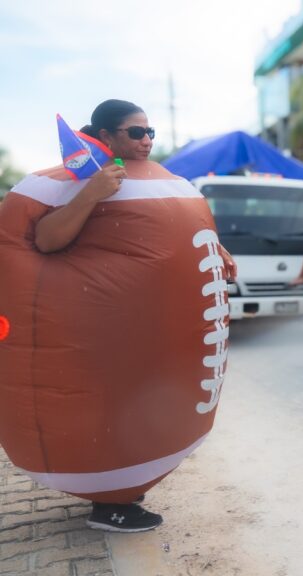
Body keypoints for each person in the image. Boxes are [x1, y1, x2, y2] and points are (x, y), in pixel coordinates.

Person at [32, 99, 236, 532]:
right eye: (135, 132)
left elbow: (171, 233)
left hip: (139, 325)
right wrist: (92, 192)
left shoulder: (152, 180)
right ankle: (110, 504)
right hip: (99, 325)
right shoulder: (81, 179)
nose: (146, 141)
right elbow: (47, 240)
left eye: (150, 133)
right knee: (110, 409)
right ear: (106, 137)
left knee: (141, 407)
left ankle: (120, 489)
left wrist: (215, 250)